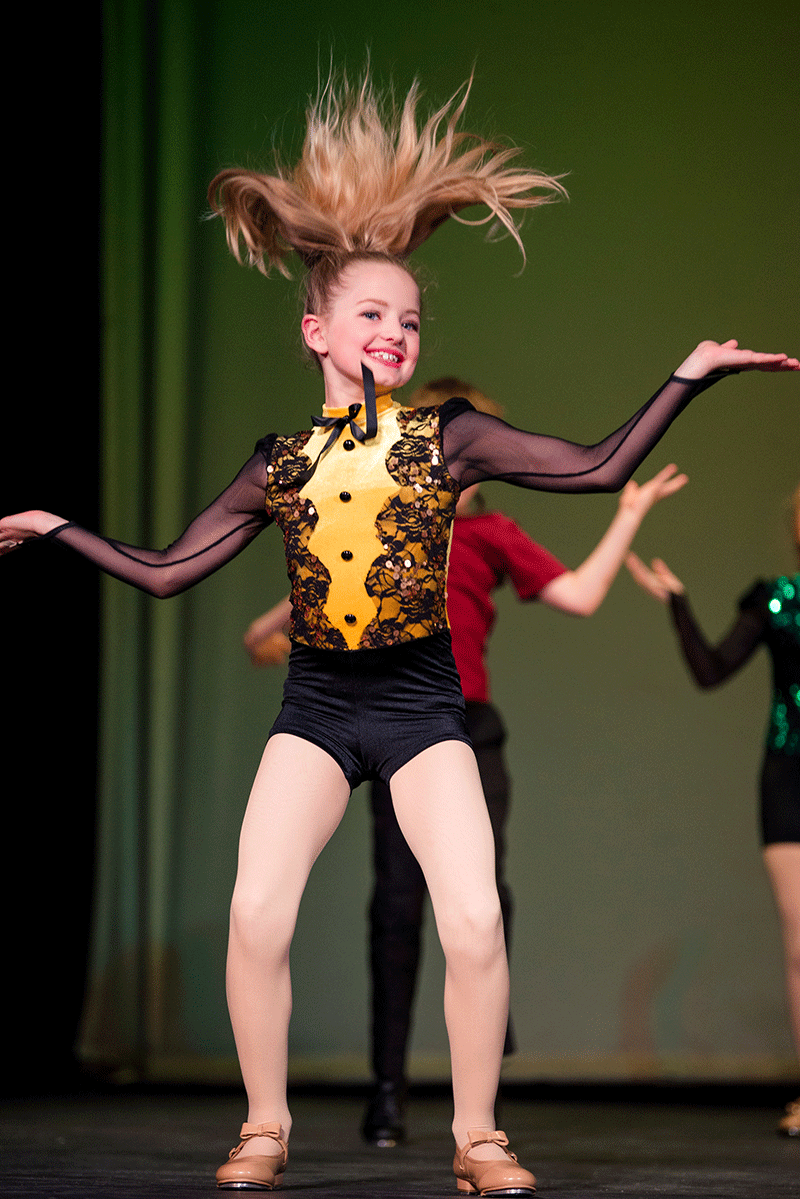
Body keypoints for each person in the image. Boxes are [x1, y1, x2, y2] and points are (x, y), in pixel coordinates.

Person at [1, 72, 797, 1193]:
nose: (394, 331)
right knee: (255, 908)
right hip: (320, 705)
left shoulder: (449, 437)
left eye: (410, 318)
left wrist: (688, 374)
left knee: (472, 917)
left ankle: (477, 1135)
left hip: (424, 705)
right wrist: (55, 527)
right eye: (371, 313)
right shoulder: (280, 464)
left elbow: (596, 464)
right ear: (315, 328)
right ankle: (265, 1122)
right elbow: (170, 571)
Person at [243, 376, 691, 1148]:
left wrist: (625, 517)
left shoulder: (491, 536)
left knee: (480, 906)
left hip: (462, 731)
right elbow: (273, 622)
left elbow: (581, 594)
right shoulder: (374, 514)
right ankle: (387, 1092)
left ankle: (480, 1105)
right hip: (378, 724)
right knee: (395, 905)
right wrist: (294, 631)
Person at [626, 484, 800, 1137]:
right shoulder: (777, 598)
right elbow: (711, 668)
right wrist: (677, 603)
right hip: (789, 774)